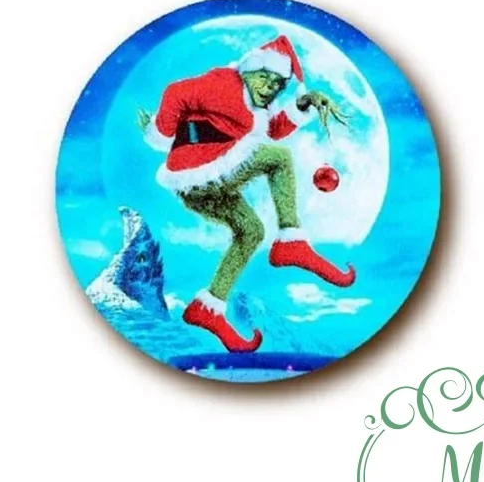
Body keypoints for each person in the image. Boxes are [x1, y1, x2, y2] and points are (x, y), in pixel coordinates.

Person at [139, 35, 355, 352]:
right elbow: (176, 92)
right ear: (249, 70)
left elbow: (272, 131)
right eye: (264, 77)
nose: (269, 87)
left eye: (277, 84)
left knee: (250, 231)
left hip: (202, 187)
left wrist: (303, 104)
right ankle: (291, 241)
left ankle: (209, 307)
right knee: (279, 159)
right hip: (199, 166)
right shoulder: (224, 84)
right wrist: (161, 132)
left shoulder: (257, 105)